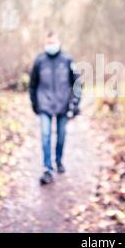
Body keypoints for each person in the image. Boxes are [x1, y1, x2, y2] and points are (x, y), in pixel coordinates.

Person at [29, 31, 82, 185]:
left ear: (58, 42)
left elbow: (77, 83)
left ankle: (58, 160)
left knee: (61, 136)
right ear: (45, 43)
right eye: (48, 42)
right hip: (44, 104)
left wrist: (75, 103)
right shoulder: (39, 61)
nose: (51, 45)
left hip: (63, 105)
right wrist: (34, 103)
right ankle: (47, 168)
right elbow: (32, 85)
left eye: (53, 42)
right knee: (45, 135)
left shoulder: (67, 60)